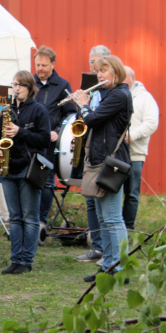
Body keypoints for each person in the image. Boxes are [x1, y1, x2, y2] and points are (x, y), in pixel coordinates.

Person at [73, 55, 132, 282]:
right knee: (103, 218)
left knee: (113, 218)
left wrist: (84, 104)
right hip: (99, 161)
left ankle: (120, 269)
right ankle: (107, 266)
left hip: (112, 163)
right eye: (97, 71)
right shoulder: (107, 94)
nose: (99, 75)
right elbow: (89, 120)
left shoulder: (120, 94)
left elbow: (93, 119)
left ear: (115, 72)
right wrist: (83, 106)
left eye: (104, 70)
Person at [0, 70, 51, 275]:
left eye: (20, 85)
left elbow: (44, 139)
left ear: (29, 88)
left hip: (28, 168)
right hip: (8, 168)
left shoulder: (38, 110)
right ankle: (15, 259)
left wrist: (20, 132)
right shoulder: (5, 110)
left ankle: (27, 260)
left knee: (30, 217)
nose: (16, 88)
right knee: (15, 217)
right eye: (14, 84)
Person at [75, 45, 112, 264]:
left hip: (103, 151)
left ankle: (108, 251)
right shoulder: (90, 86)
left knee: (106, 205)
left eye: (97, 63)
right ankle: (96, 246)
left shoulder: (110, 91)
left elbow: (97, 117)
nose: (93, 68)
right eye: (91, 63)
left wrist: (86, 106)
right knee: (90, 199)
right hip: (89, 148)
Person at [33, 46, 76, 228]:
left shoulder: (63, 85)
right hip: (31, 139)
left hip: (50, 142)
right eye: (37, 65)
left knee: (47, 181)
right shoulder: (29, 82)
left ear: (52, 64)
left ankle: (42, 221)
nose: (40, 69)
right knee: (30, 180)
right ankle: (30, 220)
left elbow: (70, 114)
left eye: (43, 65)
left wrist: (57, 131)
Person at [122, 66, 158, 230]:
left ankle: (128, 229)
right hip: (115, 153)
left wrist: (133, 136)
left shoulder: (145, 98)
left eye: (123, 77)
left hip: (135, 154)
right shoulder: (116, 94)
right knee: (112, 192)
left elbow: (151, 123)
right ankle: (115, 229)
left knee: (131, 194)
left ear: (132, 78)